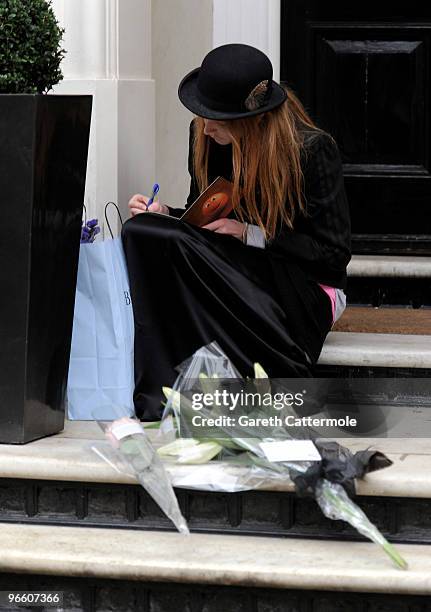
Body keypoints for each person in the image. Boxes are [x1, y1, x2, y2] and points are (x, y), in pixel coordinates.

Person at [123, 43, 351, 421]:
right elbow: (204, 217)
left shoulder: (311, 150)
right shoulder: (206, 137)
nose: (206, 127)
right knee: (144, 230)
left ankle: (274, 379)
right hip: (233, 266)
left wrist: (250, 234)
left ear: (253, 119)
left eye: (217, 119)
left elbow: (332, 255)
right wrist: (167, 214)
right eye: (202, 114)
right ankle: (168, 388)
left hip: (304, 283)